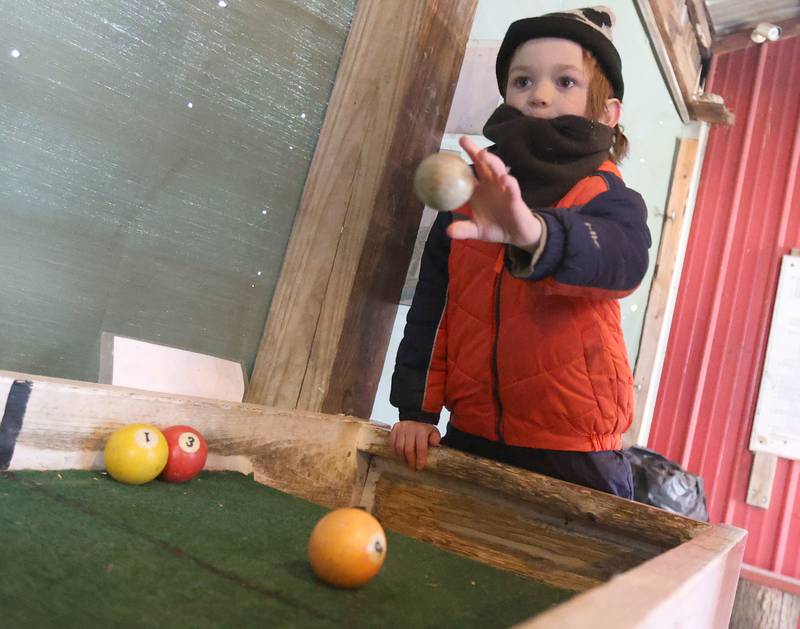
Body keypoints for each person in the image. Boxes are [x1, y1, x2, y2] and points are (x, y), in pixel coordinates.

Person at [389, 6, 652, 498]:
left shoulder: (606, 195)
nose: (540, 95)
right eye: (523, 81)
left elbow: (625, 261)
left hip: (576, 450)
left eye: (566, 82)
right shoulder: (469, 199)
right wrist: (416, 412)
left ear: (607, 113)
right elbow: (432, 306)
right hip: (472, 431)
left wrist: (534, 235)